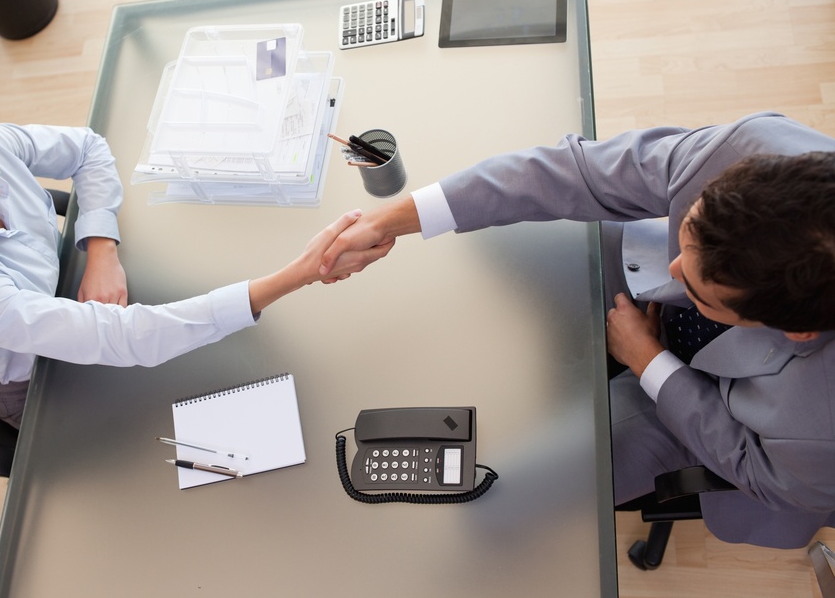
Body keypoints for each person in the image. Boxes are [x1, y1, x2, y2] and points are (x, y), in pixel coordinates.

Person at [318, 112, 835, 549]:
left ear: (799, 332)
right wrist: (394, 219)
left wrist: (649, 362)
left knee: (492, 498)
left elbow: (754, 468)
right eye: (685, 238)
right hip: (640, 287)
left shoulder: (820, 427)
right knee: (494, 239)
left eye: (698, 289)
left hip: (702, 408)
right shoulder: (753, 148)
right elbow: (574, 172)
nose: (672, 274)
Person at [0, 71, 386, 429]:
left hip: (75, 288)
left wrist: (100, 248)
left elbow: (88, 148)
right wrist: (298, 274)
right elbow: (124, 340)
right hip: (37, 378)